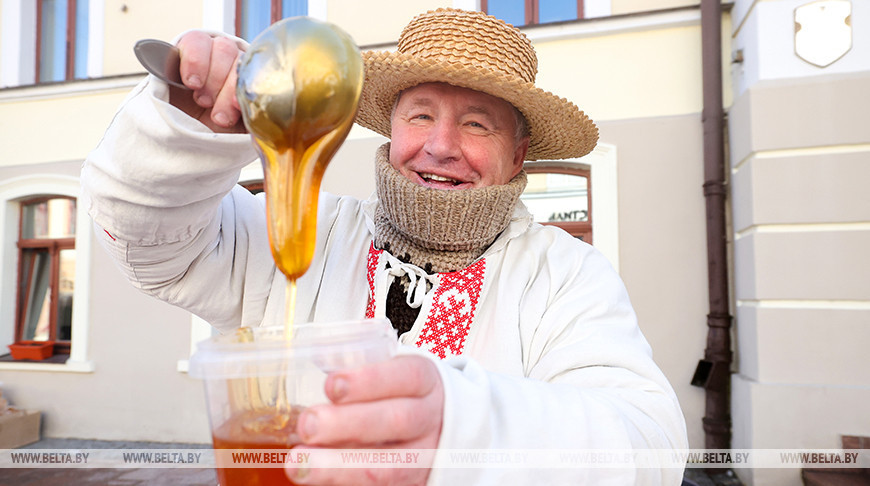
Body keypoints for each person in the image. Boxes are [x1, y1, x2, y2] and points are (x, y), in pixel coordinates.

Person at [82, 8, 688, 485]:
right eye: (420, 115)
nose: (440, 145)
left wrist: (464, 430)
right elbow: (149, 240)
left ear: (518, 155)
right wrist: (187, 129)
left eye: (477, 123)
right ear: (391, 128)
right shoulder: (308, 231)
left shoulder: (564, 274)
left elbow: (649, 445)